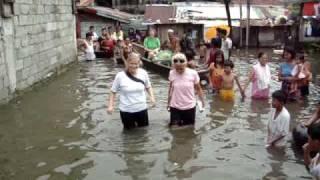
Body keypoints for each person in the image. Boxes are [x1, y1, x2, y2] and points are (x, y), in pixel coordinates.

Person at [107, 53, 155, 130]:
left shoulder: (143, 73)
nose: (134, 66)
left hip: (142, 109)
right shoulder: (120, 76)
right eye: (131, 63)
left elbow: (148, 86)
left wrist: (152, 98)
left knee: (144, 131)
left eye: (136, 64)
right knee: (129, 134)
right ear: (127, 63)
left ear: (139, 63)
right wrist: (110, 106)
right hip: (126, 110)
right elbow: (113, 91)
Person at [167, 53, 205, 128]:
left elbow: (198, 89)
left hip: (189, 106)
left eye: (181, 68)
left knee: (189, 129)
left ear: (185, 64)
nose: (179, 70)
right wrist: (168, 103)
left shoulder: (193, 73)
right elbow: (171, 89)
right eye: (177, 68)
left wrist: (202, 101)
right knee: (174, 129)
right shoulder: (172, 73)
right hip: (175, 106)